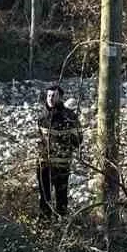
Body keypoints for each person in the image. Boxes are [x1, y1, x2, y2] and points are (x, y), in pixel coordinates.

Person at [36, 84, 83, 218]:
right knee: (44, 198)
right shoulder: (42, 117)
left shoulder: (70, 117)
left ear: (61, 98)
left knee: (61, 198)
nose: (50, 98)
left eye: (54, 96)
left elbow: (79, 140)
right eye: (49, 95)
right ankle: (44, 227)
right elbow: (39, 139)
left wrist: (66, 141)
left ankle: (61, 225)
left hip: (62, 164)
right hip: (44, 164)